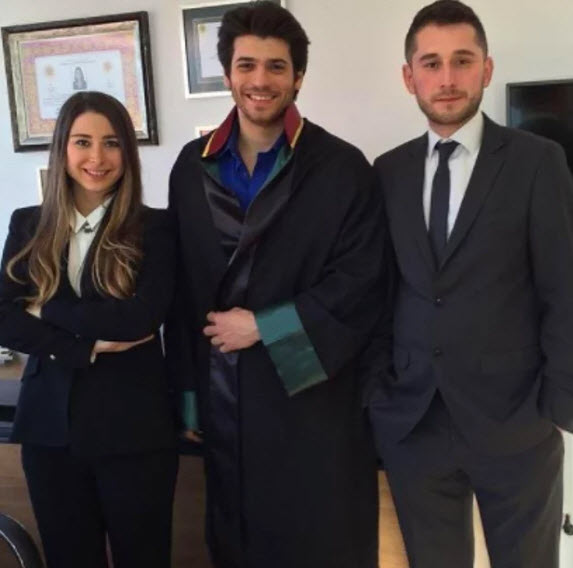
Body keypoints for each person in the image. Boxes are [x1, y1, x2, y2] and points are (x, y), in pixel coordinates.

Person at [165, 2, 392, 567]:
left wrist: (265, 327)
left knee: (318, 540)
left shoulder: (343, 168)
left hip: (312, 398)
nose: (260, 80)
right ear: (228, 74)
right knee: (237, 539)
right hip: (224, 396)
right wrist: (189, 393)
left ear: (298, 77)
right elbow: (182, 290)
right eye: (246, 65)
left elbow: (362, 283)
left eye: (276, 66)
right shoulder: (191, 168)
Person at [368, 1, 573, 567]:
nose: (447, 78)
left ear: (486, 69)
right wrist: (379, 393)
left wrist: (557, 406)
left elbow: (564, 288)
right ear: (409, 76)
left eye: (462, 60)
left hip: (517, 422)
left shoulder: (538, 162)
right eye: (430, 63)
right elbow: (379, 293)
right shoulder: (388, 171)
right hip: (414, 422)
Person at [0, 91, 177, 568]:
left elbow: (140, 318)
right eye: (82, 142)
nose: (97, 157)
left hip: (133, 428)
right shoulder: (28, 224)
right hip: (48, 430)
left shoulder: (155, 228)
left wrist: (44, 310)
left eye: (111, 143)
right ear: (62, 148)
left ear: (128, 153)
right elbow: (3, 317)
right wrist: (85, 346)